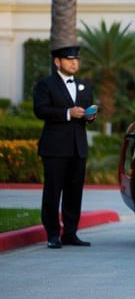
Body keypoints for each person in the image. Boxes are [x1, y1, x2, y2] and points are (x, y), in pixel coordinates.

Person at [33, 45, 96, 249]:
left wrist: (90, 116)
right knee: (53, 192)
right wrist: (68, 113)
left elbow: (85, 113)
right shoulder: (46, 85)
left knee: (74, 191)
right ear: (57, 62)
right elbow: (40, 110)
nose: (74, 63)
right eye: (69, 59)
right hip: (54, 148)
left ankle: (70, 233)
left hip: (78, 148)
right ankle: (52, 234)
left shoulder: (84, 86)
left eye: (76, 59)